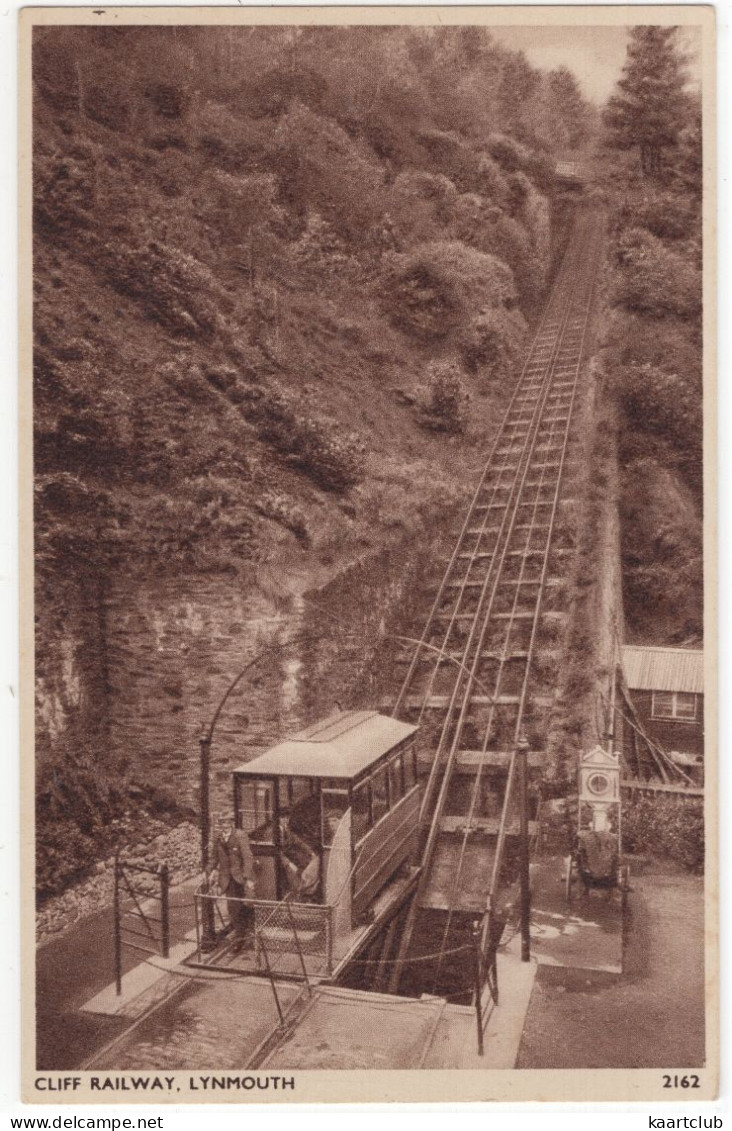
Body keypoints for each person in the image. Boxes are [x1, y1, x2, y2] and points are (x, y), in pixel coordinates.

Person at [216, 818, 256, 949]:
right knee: (233, 908)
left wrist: (248, 878)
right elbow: (213, 857)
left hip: (241, 878)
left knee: (244, 906)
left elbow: (247, 857)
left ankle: (246, 937)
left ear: (231, 823)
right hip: (227, 879)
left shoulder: (240, 835)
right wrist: (207, 872)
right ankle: (240, 937)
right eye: (221, 823)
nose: (224, 825)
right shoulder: (218, 837)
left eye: (226, 822)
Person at [279, 816, 320, 901]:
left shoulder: (286, 830)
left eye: (287, 818)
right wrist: (288, 863)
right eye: (283, 818)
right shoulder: (275, 832)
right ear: (278, 819)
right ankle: (296, 895)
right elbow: (277, 852)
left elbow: (299, 842)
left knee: (308, 864)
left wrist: (311, 852)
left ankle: (306, 892)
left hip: (288, 857)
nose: (286, 820)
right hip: (279, 860)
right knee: (292, 871)